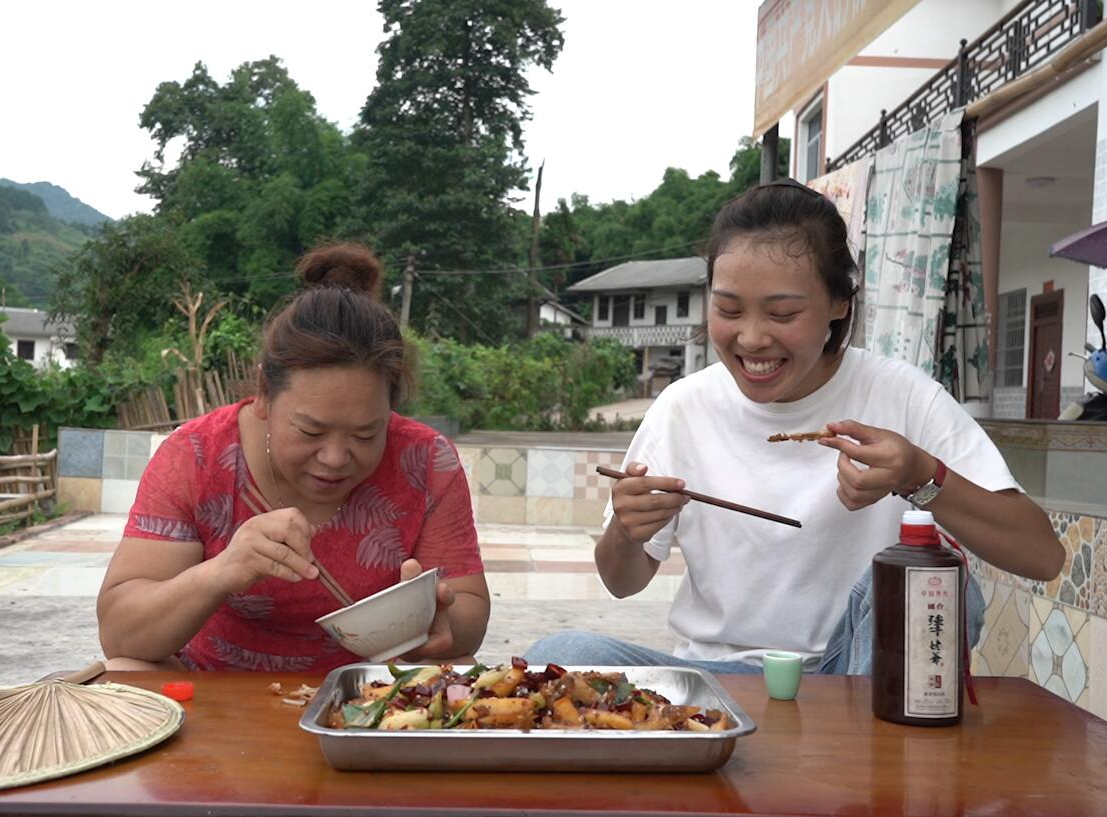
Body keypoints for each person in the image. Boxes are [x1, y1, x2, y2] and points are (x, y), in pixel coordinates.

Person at [525, 179, 1063, 674]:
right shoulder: (683, 407)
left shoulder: (902, 396)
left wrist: (922, 475)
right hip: (718, 678)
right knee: (561, 655)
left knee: (935, 584)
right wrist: (627, 527)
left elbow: (1041, 556)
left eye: (782, 314)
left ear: (838, 303)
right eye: (729, 310)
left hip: (851, 671)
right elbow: (622, 581)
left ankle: (862, 753)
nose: (752, 339)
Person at [97, 243, 490, 672]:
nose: (336, 457)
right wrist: (221, 572)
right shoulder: (195, 455)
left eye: (366, 433)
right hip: (211, 690)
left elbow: (468, 608)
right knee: (126, 671)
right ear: (265, 393)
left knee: (462, 668)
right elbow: (121, 633)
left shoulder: (427, 462)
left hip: (373, 688)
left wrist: (434, 622)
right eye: (310, 430)